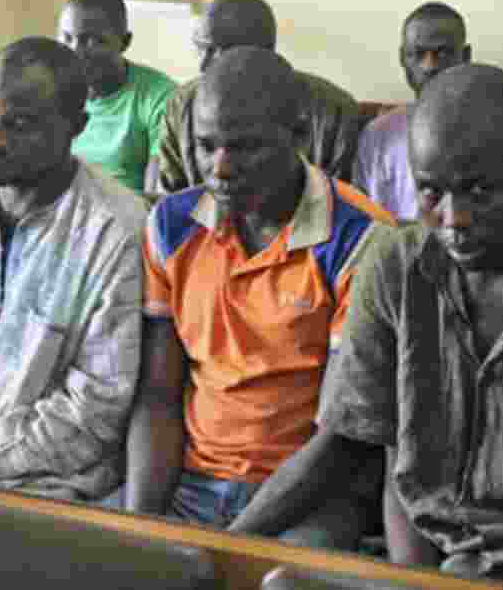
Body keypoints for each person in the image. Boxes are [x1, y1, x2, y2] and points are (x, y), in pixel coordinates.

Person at [227, 63, 503, 589]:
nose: (453, 218)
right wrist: (220, 551)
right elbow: (346, 441)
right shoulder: (393, 265)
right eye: (431, 192)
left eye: (479, 191)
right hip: (423, 560)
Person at [125, 47, 393, 549]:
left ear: (297, 136)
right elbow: (158, 395)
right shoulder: (170, 225)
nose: (220, 168)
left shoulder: (359, 238)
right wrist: (142, 528)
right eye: (206, 146)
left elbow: (341, 438)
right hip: (190, 481)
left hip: (309, 494)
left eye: (244, 148)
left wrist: (228, 547)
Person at [0, 37, 146, 500]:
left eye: (20, 124)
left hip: (40, 480)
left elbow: (93, 413)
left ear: (77, 125)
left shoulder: (115, 232)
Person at [153, 0, 361, 194]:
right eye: (201, 48)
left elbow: (344, 204)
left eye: (218, 51)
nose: (204, 65)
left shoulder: (334, 111)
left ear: (264, 51)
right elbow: (169, 199)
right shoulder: (181, 105)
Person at [352, 2, 471, 221]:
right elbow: (362, 221)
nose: (429, 65)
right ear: (402, 59)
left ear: (465, 56)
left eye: (442, 53)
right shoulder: (378, 135)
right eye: (417, 54)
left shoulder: (500, 127)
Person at [57, 0, 177, 194]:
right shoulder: (51, 93)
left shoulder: (159, 97)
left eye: (92, 41)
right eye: (67, 38)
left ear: (124, 42)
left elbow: (156, 200)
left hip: (126, 221)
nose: (75, 52)